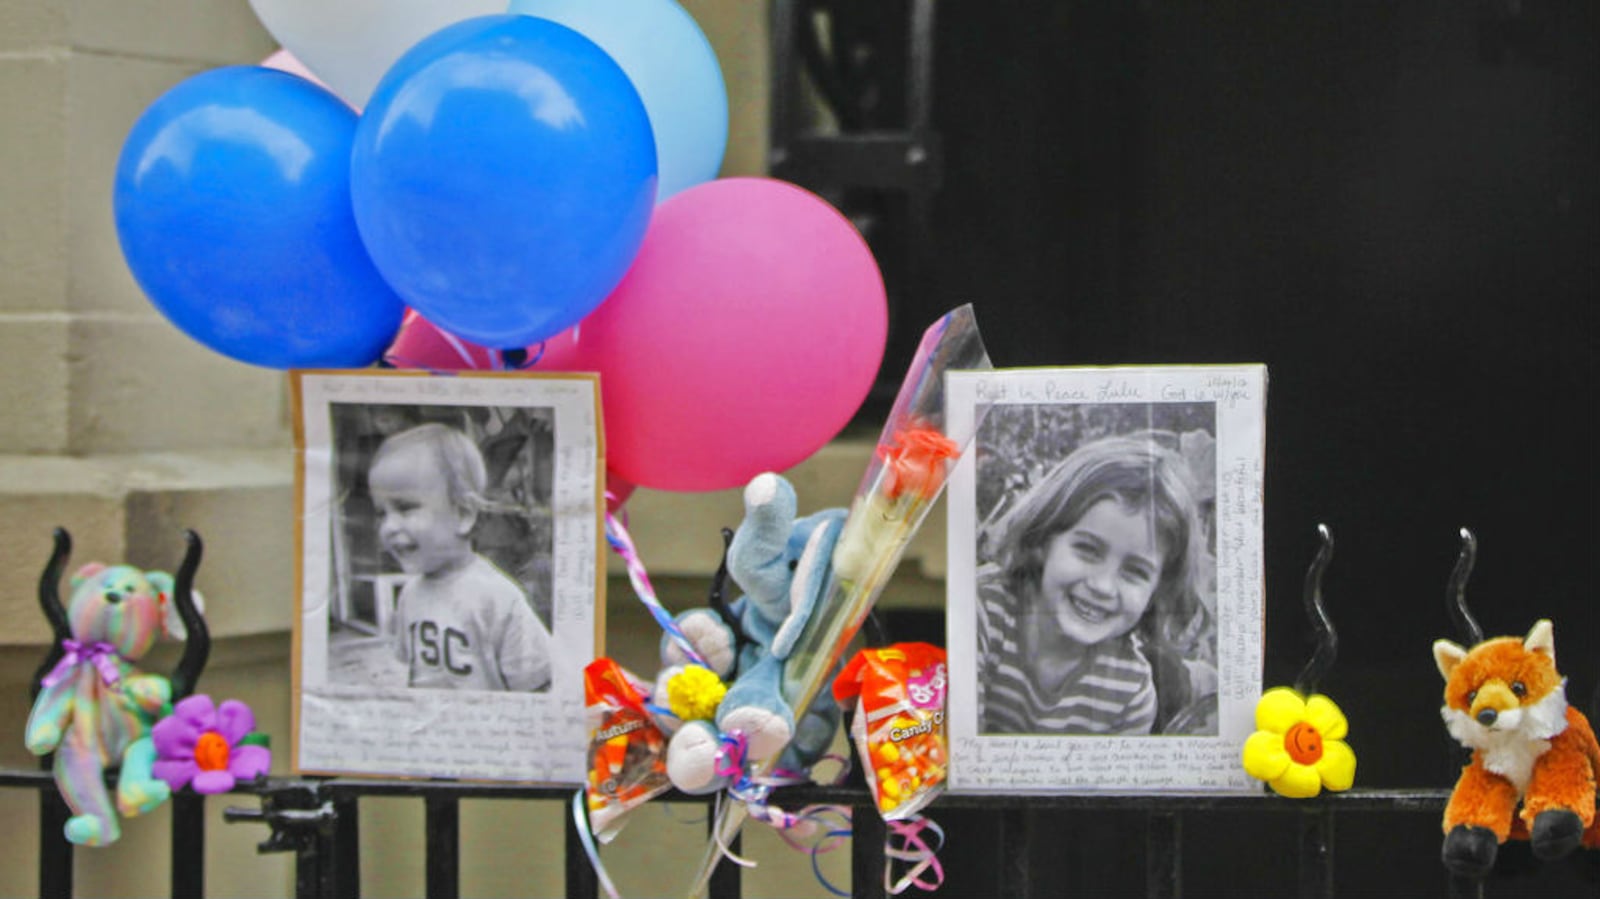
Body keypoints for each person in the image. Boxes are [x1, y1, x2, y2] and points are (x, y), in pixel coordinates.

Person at [976, 433, 1217, 735]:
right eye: (1088, 550)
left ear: (1157, 592)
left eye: (1135, 572)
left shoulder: (1131, 692)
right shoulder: (983, 608)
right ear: (1043, 538)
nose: (1103, 586)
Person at [367, 423, 553, 692]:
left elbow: (536, 687)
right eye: (381, 513)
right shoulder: (409, 594)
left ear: (464, 515)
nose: (388, 527)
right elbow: (413, 675)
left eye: (405, 508)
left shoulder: (497, 597)